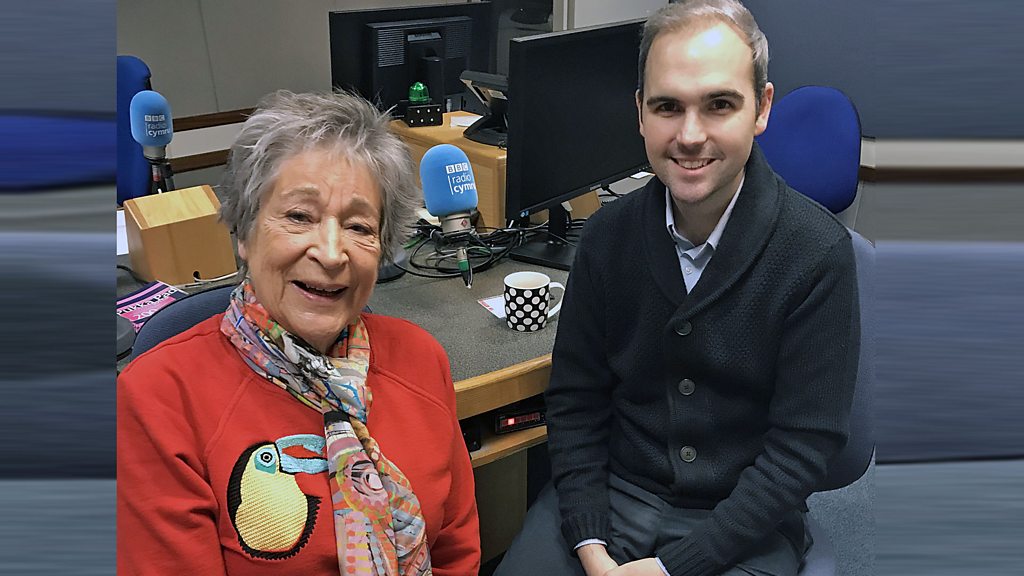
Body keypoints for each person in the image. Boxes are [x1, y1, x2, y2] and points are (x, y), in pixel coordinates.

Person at [495, 1, 860, 575]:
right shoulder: (606, 237)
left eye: (720, 105)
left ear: (761, 108)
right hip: (611, 500)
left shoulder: (817, 253)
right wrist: (590, 545)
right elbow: (576, 404)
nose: (690, 136)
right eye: (668, 107)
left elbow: (801, 448)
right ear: (640, 113)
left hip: (742, 522)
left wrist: (675, 568)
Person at [117, 90, 480, 575]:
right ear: (244, 233)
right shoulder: (159, 397)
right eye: (299, 217)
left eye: (359, 226)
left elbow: (456, 551)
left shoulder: (420, 359)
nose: (331, 253)